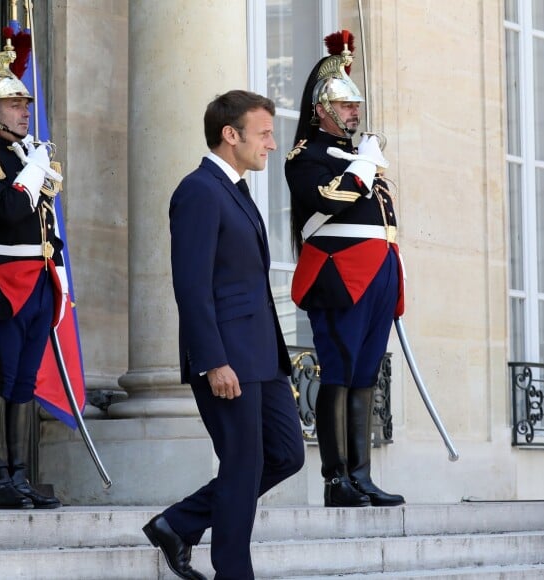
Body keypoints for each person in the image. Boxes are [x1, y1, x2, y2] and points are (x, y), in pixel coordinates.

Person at [142, 90, 305, 580]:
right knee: (241, 465)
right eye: (264, 133)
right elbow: (191, 286)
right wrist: (213, 360)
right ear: (230, 135)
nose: (272, 144)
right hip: (228, 358)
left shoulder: (235, 190)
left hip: (262, 356)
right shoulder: (198, 190)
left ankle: (179, 522)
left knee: (286, 454)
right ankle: (233, 572)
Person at [285, 30, 405, 509]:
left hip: (375, 276)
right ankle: (337, 481)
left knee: (365, 375)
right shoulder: (307, 157)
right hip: (339, 276)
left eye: (356, 105)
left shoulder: (357, 157)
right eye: (345, 104)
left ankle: (361, 475)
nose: (355, 112)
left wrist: (364, 163)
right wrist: (363, 169)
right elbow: (326, 199)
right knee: (338, 372)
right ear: (322, 108)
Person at [0, 43, 65, 509]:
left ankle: (21, 476)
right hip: (0, 278)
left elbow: (47, 225)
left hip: (38, 279)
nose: (24, 112)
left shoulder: (25, 153)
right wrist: (32, 169)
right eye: (13, 103)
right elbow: (8, 210)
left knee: (25, 381)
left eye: (26, 104)